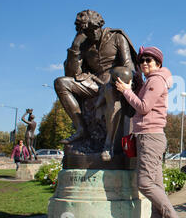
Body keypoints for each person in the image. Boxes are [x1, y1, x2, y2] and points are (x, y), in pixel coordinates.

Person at [115, 46, 185, 218]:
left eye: (149, 60)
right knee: (156, 184)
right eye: (142, 60)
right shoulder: (150, 81)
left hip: (150, 136)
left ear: (158, 63)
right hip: (148, 136)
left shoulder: (156, 80)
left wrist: (127, 92)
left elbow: (144, 107)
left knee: (145, 182)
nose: (144, 63)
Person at [54, 9, 139, 161]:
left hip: (114, 82)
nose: (91, 35)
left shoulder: (117, 37)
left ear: (99, 26)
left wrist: (119, 80)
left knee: (110, 90)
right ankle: (81, 129)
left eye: (92, 30)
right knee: (61, 83)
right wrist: (75, 46)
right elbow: (71, 73)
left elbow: (129, 66)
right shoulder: (83, 44)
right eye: (86, 32)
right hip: (93, 82)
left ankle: (108, 145)